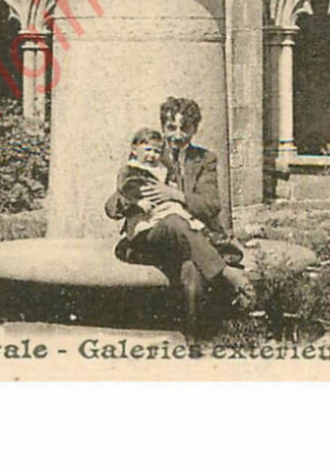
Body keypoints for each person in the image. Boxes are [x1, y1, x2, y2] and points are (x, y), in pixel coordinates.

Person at [104, 98, 253, 333]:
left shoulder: (204, 160)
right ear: (163, 128)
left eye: (185, 128)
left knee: (192, 271)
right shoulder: (151, 154)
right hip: (155, 237)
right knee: (174, 222)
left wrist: (173, 194)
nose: (177, 135)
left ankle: (196, 342)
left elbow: (210, 206)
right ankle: (226, 273)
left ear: (195, 129)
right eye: (171, 128)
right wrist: (129, 202)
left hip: (189, 241)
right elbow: (113, 204)